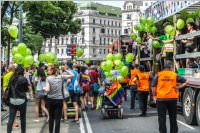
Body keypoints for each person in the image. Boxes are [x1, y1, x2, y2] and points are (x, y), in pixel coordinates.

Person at [152, 61, 188, 133]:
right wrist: (179, 87)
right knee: (173, 117)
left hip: (161, 99)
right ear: (170, 67)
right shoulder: (174, 75)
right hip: (172, 99)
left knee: (162, 118)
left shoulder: (158, 75)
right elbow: (186, 81)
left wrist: (154, 96)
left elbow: (153, 86)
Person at [44, 65, 74, 133]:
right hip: (59, 100)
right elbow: (72, 75)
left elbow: (48, 89)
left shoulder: (48, 78)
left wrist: (45, 88)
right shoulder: (61, 77)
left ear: (51, 71)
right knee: (58, 119)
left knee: (51, 117)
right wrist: (66, 70)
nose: (48, 71)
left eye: (48, 70)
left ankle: (50, 131)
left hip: (50, 100)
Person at [7, 65, 29, 133]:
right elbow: (26, 89)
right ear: (22, 71)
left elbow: (9, 88)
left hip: (12, 100)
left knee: (11, 118)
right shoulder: (23, 79)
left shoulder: (12, 78)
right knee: (23, 119)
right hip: (21, 100)